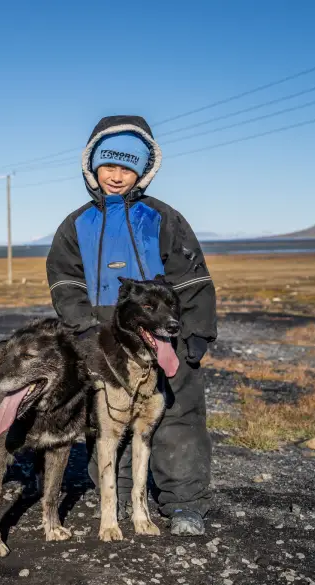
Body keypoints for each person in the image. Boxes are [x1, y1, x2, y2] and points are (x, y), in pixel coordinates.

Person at [46, 115, 217, 536]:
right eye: (109, 166)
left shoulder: (163, 217)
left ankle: (183, 504)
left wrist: (194, 336)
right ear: (92, 167)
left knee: (178, 413)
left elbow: (193, 280)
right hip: (106, 340)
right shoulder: (77, 224)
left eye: (127, 167)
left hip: (165, 336)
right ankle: (116, 496)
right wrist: (84, 329)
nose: (117, 176)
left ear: (143, 171)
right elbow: (65, 280)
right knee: (109, 418)